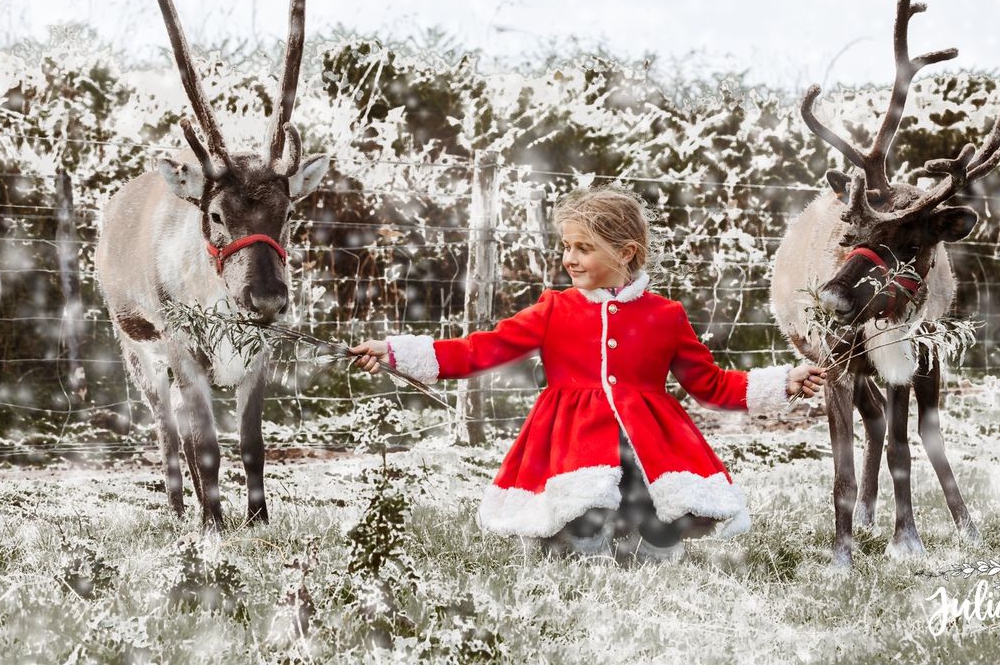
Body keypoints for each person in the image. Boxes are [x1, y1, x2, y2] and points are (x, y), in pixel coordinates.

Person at [350, 187, 824, 563]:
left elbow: (711, 384)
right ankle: (582, 551)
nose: (569, 259)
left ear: (626, 252)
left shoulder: (666, 315)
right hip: (570, 440)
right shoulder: (553, 308)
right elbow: (480, 349)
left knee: (653, 521)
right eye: (567, 247)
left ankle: (646, 551)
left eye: (584, 248)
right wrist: (393, 352)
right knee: (580, 513)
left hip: (647, 443)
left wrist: (784, 381)